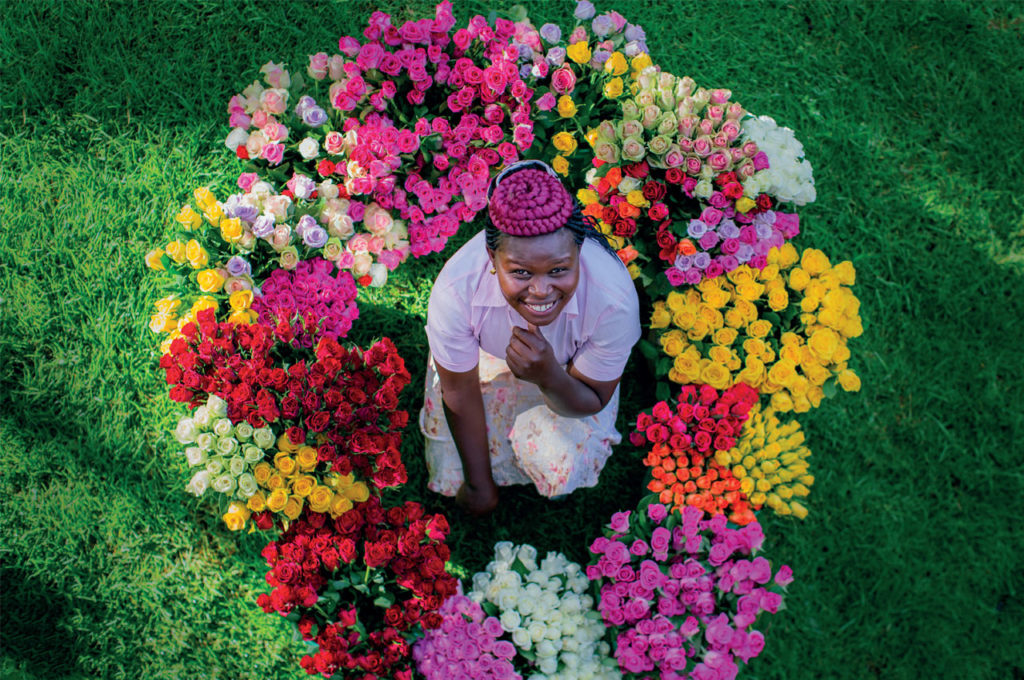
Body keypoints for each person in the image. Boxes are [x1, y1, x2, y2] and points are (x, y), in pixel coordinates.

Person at [419, 160, 641, 514]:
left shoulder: (613, 301)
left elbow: (593, 398)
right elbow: (459, 390)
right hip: (480, 371)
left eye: (558, 270)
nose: (540, 291)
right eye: (521, 272)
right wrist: (478, 484)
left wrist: (549, 376)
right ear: (492, 257)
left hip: (572, 380)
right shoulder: (456, 291)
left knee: (566, 452)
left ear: (579, 253)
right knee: (461, 436)